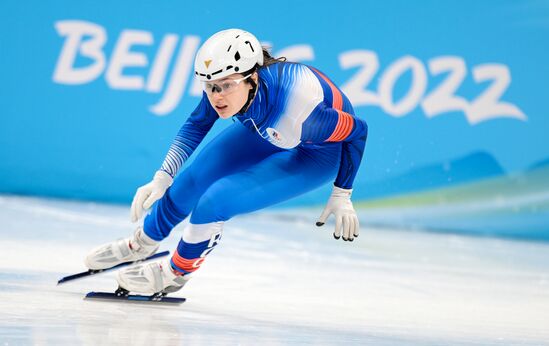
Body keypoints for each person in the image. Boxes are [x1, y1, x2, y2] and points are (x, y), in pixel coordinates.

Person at [85, 29, 368, 295]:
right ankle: (142, 243)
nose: (216, 97)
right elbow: (197, 125)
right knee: (192, 180)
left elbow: (359, 130)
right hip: (265, 127)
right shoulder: (229, 81)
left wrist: (342, 193)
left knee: (215, 201)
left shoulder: (302, 113)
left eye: (225, 87)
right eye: (209, 87)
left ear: (253, 79)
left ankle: (175, 274)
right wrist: (163, 175)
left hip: (319, 153)